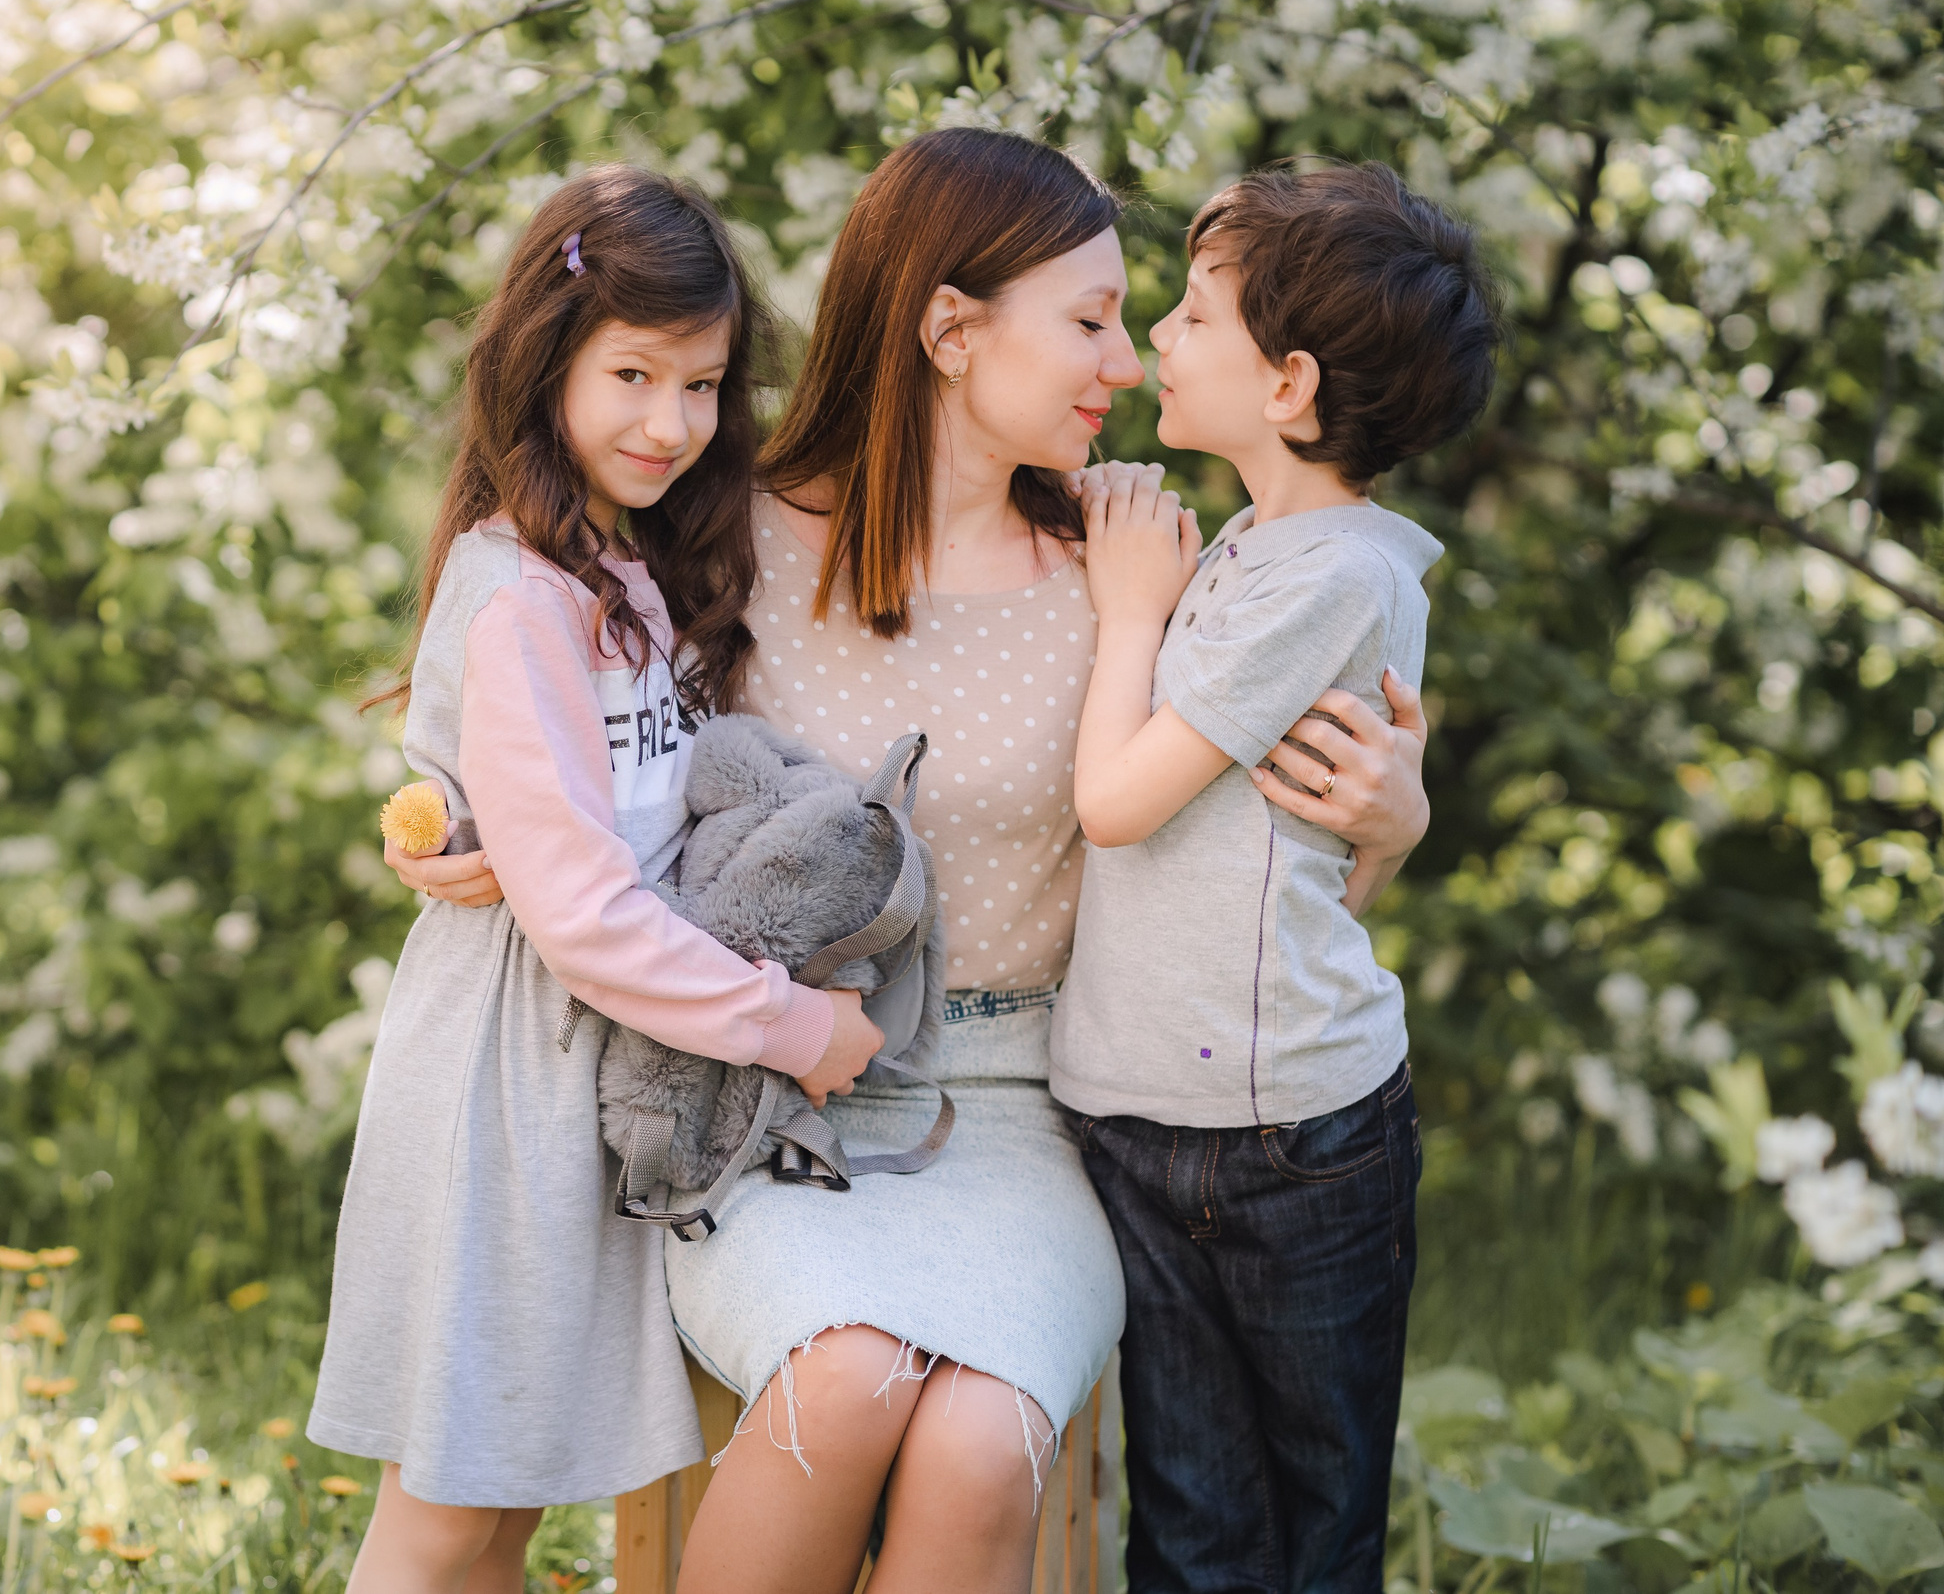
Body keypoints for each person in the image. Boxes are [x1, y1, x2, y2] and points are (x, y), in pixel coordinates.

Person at [390, 130, 1436, 1594]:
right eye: (1089, 319)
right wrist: (456, 825)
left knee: (979, 1444)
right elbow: (571, 715)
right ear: (951, 329)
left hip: (1027, 1109)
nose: (1125, 362)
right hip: (769, 1097)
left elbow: (1244, 879)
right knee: (844, 1383)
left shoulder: (1135, 560)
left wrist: (1392, 822)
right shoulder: (722, 535)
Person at [310, 163, 883, 1594]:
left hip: (586, 1069)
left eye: (701, 386)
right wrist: (793, 1026)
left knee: (504, 1510)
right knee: (447, 1511)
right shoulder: (522, 596)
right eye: (632, 374)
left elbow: (589, 819)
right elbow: (583, 914)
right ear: (546, 361)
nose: (669, 423)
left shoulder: (613, 575)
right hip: (510, 1079)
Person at [1060, 160, 1503, 1594]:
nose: (1156, 338)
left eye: (1194, 314)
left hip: (1289, 1137)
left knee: (1314, 1533)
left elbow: (1116, 805)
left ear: (1291, 386)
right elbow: (1281, 858)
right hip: (1147, 1113)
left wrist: (1131, 611)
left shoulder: (1336, 577)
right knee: (1192, 1525)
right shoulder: (1257, 549)